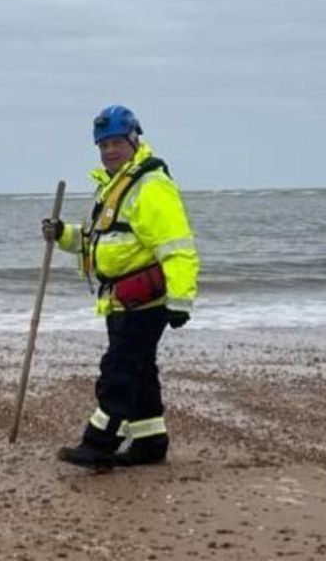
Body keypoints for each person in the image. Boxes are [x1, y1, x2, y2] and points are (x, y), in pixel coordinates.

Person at [42, 105, 199, 472]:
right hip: (120, 299)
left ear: (134, 140)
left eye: (116, 143)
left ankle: (98, 446)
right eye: (103, 145)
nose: (109, 151)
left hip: (146, 300)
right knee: (140, 371)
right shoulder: (113, 186)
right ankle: (149, 442)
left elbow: (177, 246)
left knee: (119, 371)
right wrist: (62, 234)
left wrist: (180, 301)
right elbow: (97, 242)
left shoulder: (151, 185)